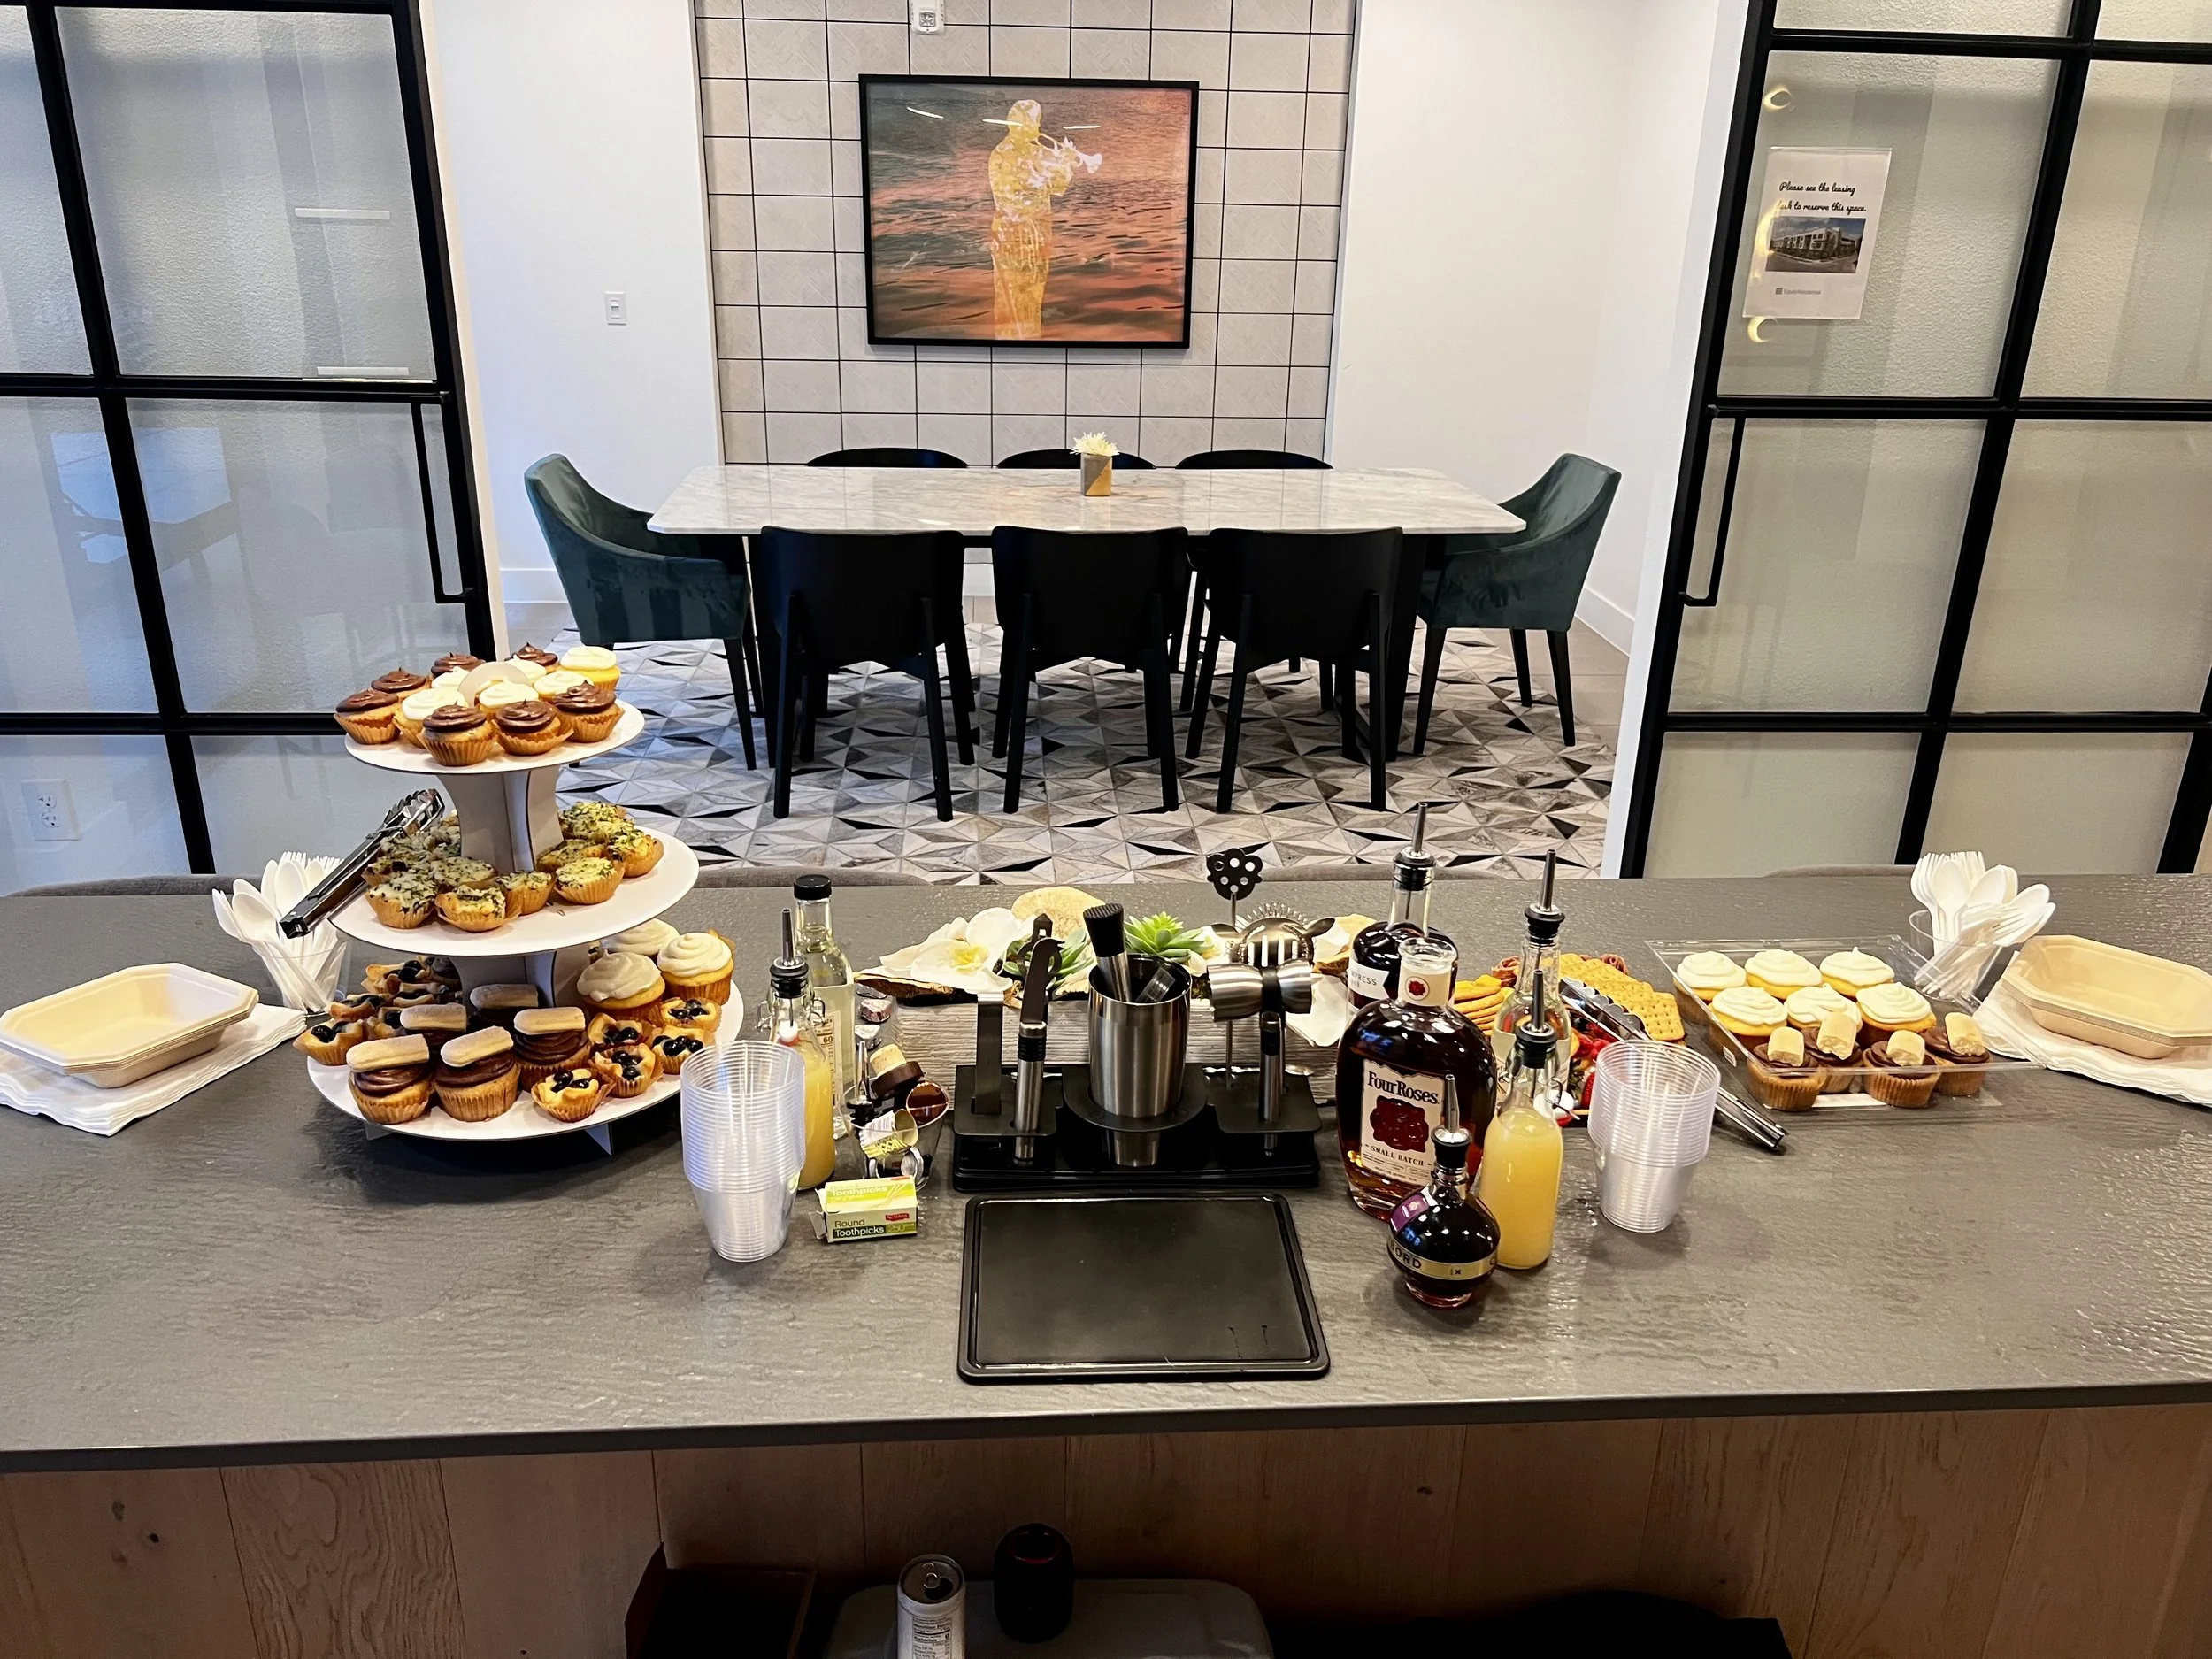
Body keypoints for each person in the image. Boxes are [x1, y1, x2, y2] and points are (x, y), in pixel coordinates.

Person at [987, 100, 1100, 341]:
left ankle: (1023, 339)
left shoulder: (1024, 151)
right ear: (1024, 122)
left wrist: (1065, 161)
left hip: (1026, 235)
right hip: (1020, 236)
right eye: (1035, 121)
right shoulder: (1007, 154)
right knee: (1018, 296)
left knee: (1025, 297)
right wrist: (1064, 162)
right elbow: (1040, 186)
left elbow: (1056, 186)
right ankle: (1017, 342)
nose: (1038, 127)